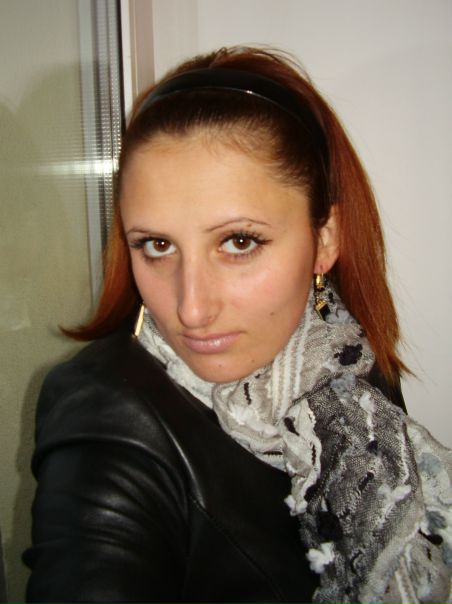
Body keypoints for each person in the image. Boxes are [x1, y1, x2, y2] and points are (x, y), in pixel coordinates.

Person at [23, 46, 452, 604]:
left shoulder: (350, 374)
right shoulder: (107, 419)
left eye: (239, 241)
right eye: (157, 245)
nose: (192, 309)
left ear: (324, 240)